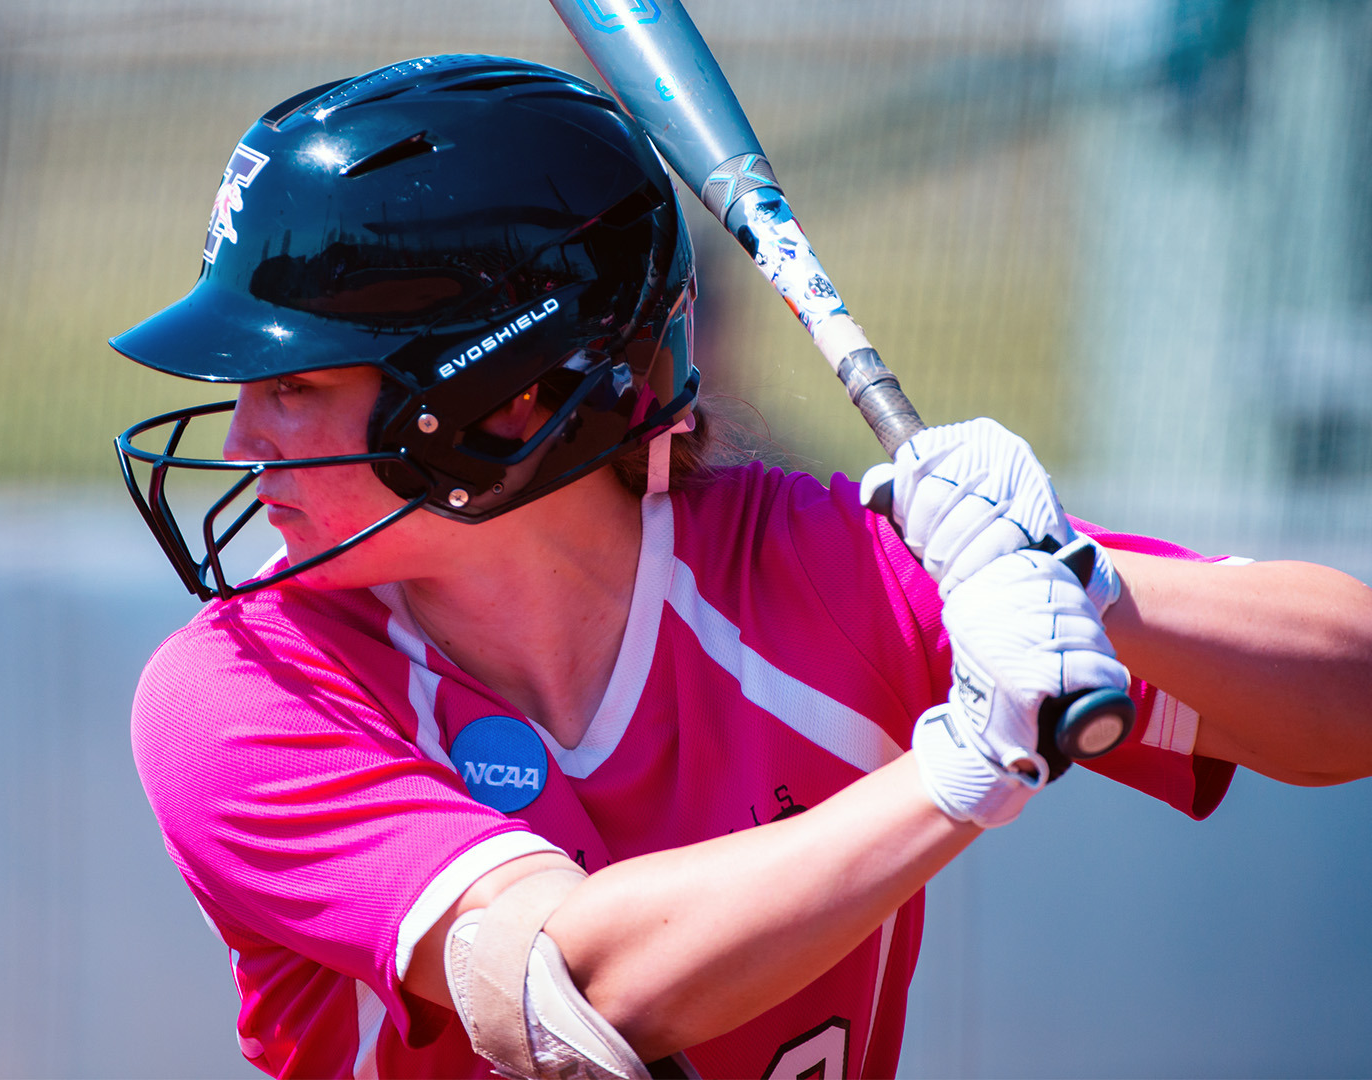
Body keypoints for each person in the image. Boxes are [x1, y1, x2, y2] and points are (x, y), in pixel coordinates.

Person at [110, 55, 1372, 1079]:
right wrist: (963, 767)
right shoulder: (242, 695)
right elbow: (573, 993)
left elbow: (1350, 698)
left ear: (502, 396)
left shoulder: (815, 569)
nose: (240, 440)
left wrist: (1082, 585)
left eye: (293, 386)